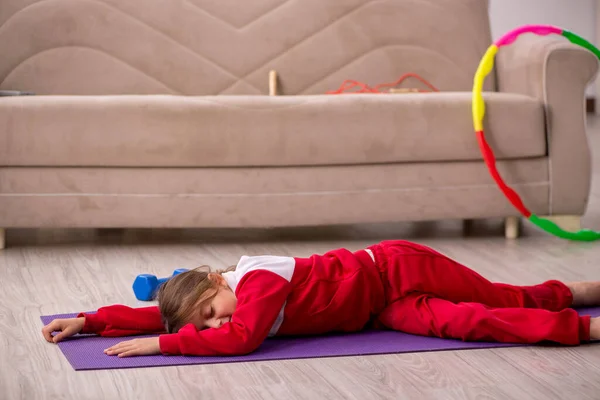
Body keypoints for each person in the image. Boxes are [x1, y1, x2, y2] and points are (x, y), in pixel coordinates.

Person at [41, 240, 600, 357]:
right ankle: (585, 330)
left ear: (218, 283)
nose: (211, 326)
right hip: (379, 308)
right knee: (471, 322)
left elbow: (239, 339)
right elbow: (154, 312)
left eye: (209, 314)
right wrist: (89, 321)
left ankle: (576, 293)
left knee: (511, 295)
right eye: (202, 325)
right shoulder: (216, 303)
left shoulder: (257, 282)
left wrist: (161, 346)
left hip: (399, 266)